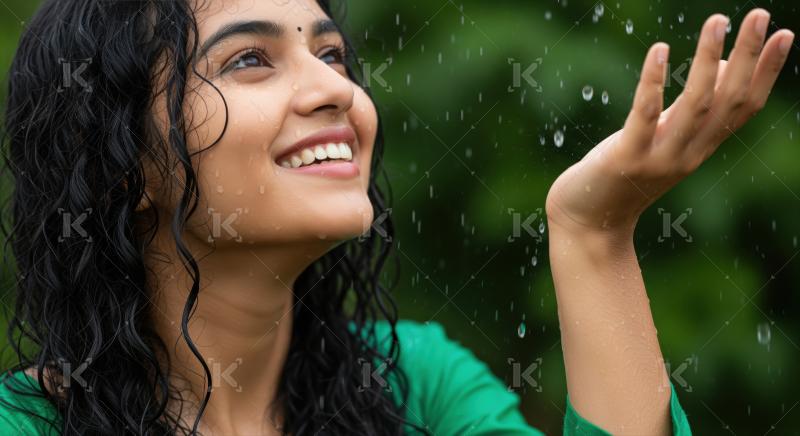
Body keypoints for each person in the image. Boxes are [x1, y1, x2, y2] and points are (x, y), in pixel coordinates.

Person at [0, 0, 793, 434]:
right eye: (250, 59)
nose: (336, 90)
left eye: (333, 54)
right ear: (125, 165)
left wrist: (594, 232)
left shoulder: (416, 384)